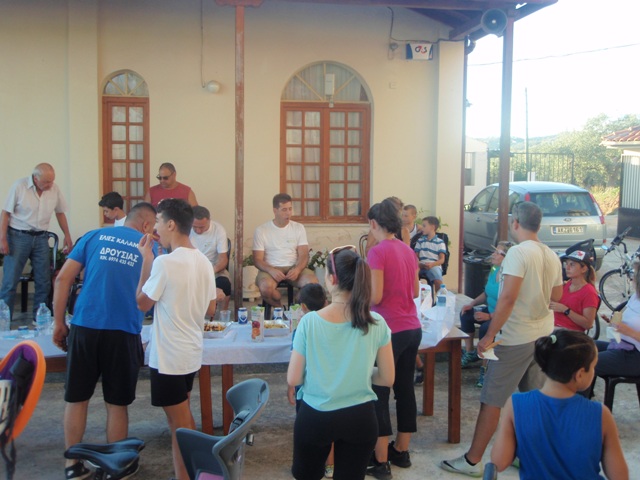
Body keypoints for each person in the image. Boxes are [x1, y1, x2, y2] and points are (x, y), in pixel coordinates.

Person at [441, 201, 563, 477]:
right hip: (543, 335)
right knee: (533, 399)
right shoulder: (551, 254)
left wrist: (489, 335)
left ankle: (472, 461)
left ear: (515, 223)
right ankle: (527, 455)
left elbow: (507, 298)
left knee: (492, 400)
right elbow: (556, 297)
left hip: (515, 337)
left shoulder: (518, 253)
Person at [52, 202, 157, 480]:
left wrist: (59, 322)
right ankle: (115, 467)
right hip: (123, 331)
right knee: (117, 403)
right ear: (147, 225)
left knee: (76, 398)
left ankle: (72, 465)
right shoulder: (151, 247)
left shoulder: (94, 236)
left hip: (85, 325)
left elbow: (63, 279)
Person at [288, 246, 394, 480]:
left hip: (316, 415)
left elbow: (293, 378)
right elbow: (387, 378)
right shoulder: (376, 322)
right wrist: (360, 372)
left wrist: (325, 372)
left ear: (332, 279)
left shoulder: (310, 322)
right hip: (361, 417)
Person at [136, 199, 216, 480]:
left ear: (171, 224)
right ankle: (184, 475)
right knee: (178, 421)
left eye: (158, 221)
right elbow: (211, 308)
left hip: (169, 356)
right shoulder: (204, 261)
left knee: (181, 424)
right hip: (190, 351)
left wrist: (146, 262)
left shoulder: (164, 262)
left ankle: (191, 475)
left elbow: (142, 303)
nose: (156, 227)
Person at [491, 330, 628, 480]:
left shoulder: (516, 404)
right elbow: (620, 476)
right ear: (580, 374)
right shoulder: (600, 414)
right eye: (593, 367)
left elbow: (499, 462)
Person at [366, 199, 422, 480]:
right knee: (405, 389)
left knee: (379, 390)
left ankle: (380, 460)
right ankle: (401, 450)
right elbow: (415, 291)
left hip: (388, 330)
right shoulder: (407, 250)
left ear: (374, 223)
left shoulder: (377, 252)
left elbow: (375, 296)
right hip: (412, 327)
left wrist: (358, 297)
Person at [0, 163, 73, 320]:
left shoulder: (54, 189)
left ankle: (39, 319)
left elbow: (60, 213)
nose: (50, 185)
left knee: (43, 280)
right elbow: (5, 213)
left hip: (41, 238)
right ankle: (4, 321)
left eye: (52, 181)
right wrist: (2, 239)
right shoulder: (19, 186)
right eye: (46, 181)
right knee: (10, 281)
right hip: (18, 236)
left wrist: (67, 235)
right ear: (35, 178)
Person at [286, 283, 332, 478]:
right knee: (330, 427)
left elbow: (296, 363)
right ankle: (330, 465)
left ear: (303, 307)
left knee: (305, 428)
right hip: (329, 383)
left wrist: (291, 386)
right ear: (325, 302)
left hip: (306, 387)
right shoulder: (332, 324)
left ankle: (305, 464)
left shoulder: (302, 327)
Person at [459, 241, 513, 388]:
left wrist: (489, 317)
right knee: (466, 314)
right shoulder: (495, 269)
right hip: (490, 310)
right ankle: (470, 352)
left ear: (506, 257)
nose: (493, 255)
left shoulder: (509, 276)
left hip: (501, 316)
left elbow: (509, 305)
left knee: (485, 329)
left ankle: (485, 367)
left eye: (497, 253)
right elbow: (486, 293)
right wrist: (471, 304)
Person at [253, 193, 318, 308]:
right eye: (284, 210)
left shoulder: (298, 228)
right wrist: (271, 270)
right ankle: (280, 308)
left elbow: (304, 255)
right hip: (271, 268)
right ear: (275, 211)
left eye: (290, 209)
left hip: (293, 266)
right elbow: (257, 260)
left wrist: (297, 269)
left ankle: (295, 307)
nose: (288, 213)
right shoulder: (262, 230)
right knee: (265, 288)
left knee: (313, 284)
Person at [593, 259, 640, 379]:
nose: (631, 278)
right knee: (580, 348)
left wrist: (629, 331)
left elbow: (631, 329)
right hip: (622, 345)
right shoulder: (636, 297)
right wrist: (614, 323)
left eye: (634, 274)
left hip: (635, 355)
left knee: (584, 363)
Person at [190, 205, 231, 310]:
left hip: (213, 268)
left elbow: (223, 259)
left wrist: (210, 271)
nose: (198, 231)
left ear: (209, 221)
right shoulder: (185, 229)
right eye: (195, 227)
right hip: (191, 267)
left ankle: (222, 314)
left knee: (225, 284)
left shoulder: (218, 230)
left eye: (202, 227)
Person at [550, 249, 599, 331]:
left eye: (572, 265)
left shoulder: (589, 292)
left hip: (569, 332)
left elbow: (588, 324)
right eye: (566, 264)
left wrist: (565, 310)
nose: (567, 268)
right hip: (553, 326)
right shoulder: (567, 284)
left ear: (584, 269)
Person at [413, 216, 446, 293]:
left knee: (438, 279)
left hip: (433, 265)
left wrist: (432, 264)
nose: (422, 228)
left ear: (432, 227)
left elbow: (442, 259)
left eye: (424, 226)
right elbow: (415, 256)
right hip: (420, 265)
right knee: (412, 274)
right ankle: (415, 295)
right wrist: (418, 263)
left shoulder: (440, 242)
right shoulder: (420, 241)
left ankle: (439, 297)